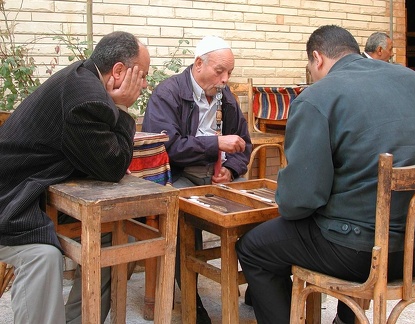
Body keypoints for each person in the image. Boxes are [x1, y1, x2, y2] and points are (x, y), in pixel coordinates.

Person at [235, 25, 415, 324]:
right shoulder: (413, 80)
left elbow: (299, 201)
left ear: (318, 58)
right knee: (353, 212)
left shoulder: (319, 96)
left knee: (253, 247)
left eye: (310, 69)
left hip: (362, 255)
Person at [0, 31, 150, 323]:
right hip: (11, 198)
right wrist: (122, 108)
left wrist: (106, 156)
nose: (143, 85)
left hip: (34, 189)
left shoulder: (83, 77)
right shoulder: (87, 99)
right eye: (141, 76)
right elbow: (113, 167)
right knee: (42, 256)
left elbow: (96, 156)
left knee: (113, 230)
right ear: (118, 71)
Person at [143, 35, 252, 323]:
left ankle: (259, 285)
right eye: (220, 71)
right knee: (178, 218)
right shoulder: (168, 94)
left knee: (256, 211)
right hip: (178, 175)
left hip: (218, 179)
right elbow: (167, 147)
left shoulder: (224, 97)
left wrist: (233, 169)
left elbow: (245, 144)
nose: (225, 79)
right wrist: (216, 145)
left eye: (229, 72)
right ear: (198, 63)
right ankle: (193, 301)